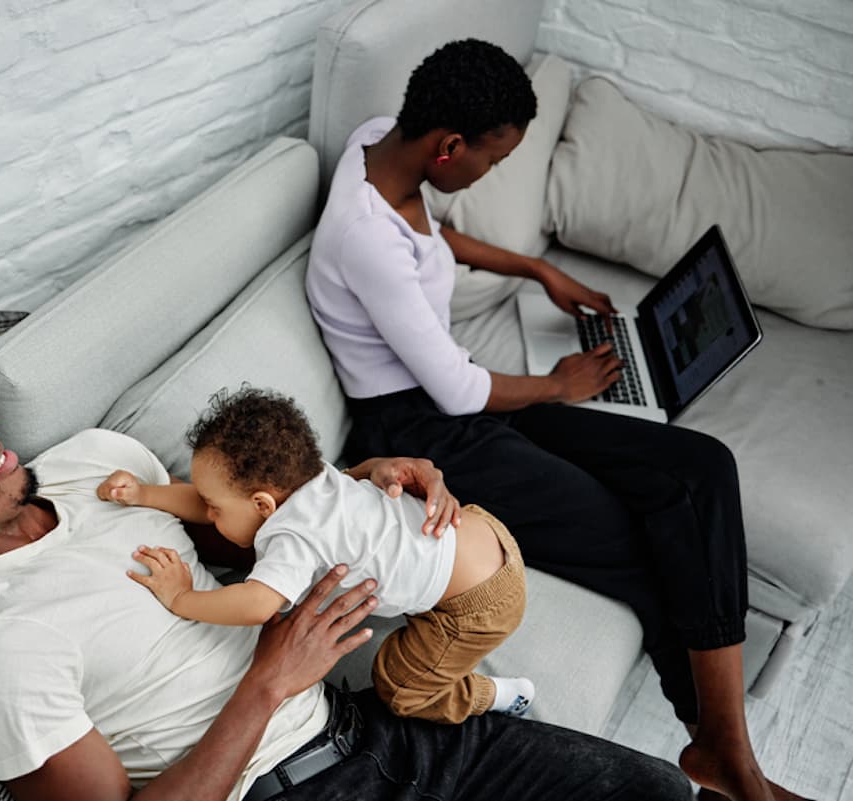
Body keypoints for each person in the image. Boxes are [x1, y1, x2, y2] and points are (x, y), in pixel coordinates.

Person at [305, 37, 807, 801]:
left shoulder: (380, 141)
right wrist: (558, 383)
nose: (491, 171)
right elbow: (459, 389)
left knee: (701, 469)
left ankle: (723, 758)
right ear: (448, 147)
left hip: (456, 401)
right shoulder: (361, 237)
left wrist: (536, 267)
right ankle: (733, 766)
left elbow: (431, 238)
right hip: (424, 432)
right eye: (492, 159)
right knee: (639, 533)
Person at [0, 383, 693, 801]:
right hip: (286, 785)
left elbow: (246, 526)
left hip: (375, 721)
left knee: (652, 789)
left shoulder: (96, 463)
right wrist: (267, 682)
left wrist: (344, 493)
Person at [97, 386, 533, 723]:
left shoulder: (296, 537)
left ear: (264, 506)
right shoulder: (313, 479)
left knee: (402, 688)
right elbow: (212, 506)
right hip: (480, 530)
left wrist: (181, 599)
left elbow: (256, 604)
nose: (207, 512)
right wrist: (144, 493)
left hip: (475, 606)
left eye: (214, 506)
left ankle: (495, 696)